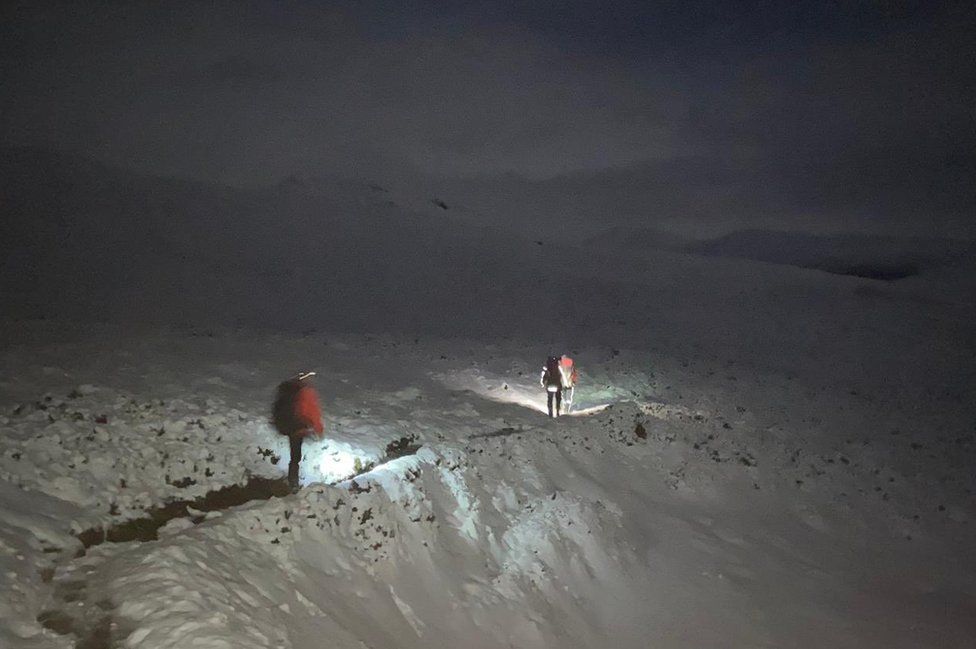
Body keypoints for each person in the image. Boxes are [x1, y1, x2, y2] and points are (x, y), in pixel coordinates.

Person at [272, 371, 324, 492]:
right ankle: (293, 482)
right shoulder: (306, 392)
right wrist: (318, 429)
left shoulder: (288, 391)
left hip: (289, 425)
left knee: (294, 454)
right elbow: (313, 411)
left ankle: (292, 480)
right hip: (299, 427)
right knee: (296, 456)